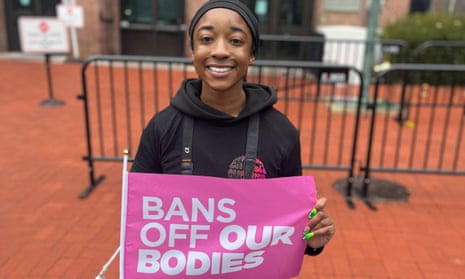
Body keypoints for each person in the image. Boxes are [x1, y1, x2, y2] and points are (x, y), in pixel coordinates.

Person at [131, 0, 335, 257]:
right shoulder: (162, 128)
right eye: (206, 39)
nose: (219, 51)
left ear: (252, 54)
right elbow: (138, 219)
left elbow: (289, 226)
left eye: (236, 41)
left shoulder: (282, 133)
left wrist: (313, 239)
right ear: (193, 50)